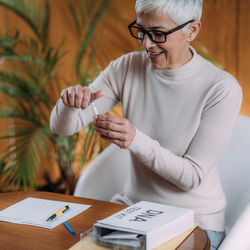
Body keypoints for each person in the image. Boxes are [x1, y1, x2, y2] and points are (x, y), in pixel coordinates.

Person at [50, 0, 242, 249]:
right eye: (141, 31)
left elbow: (191, 176)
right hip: (133, 213)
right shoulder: (127, 67)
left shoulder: (221, 88)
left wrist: (135, 140)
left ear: (192, 30)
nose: (146, 44)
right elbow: (63, 127)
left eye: (158, 34)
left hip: (194, 221)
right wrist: (69, 103)